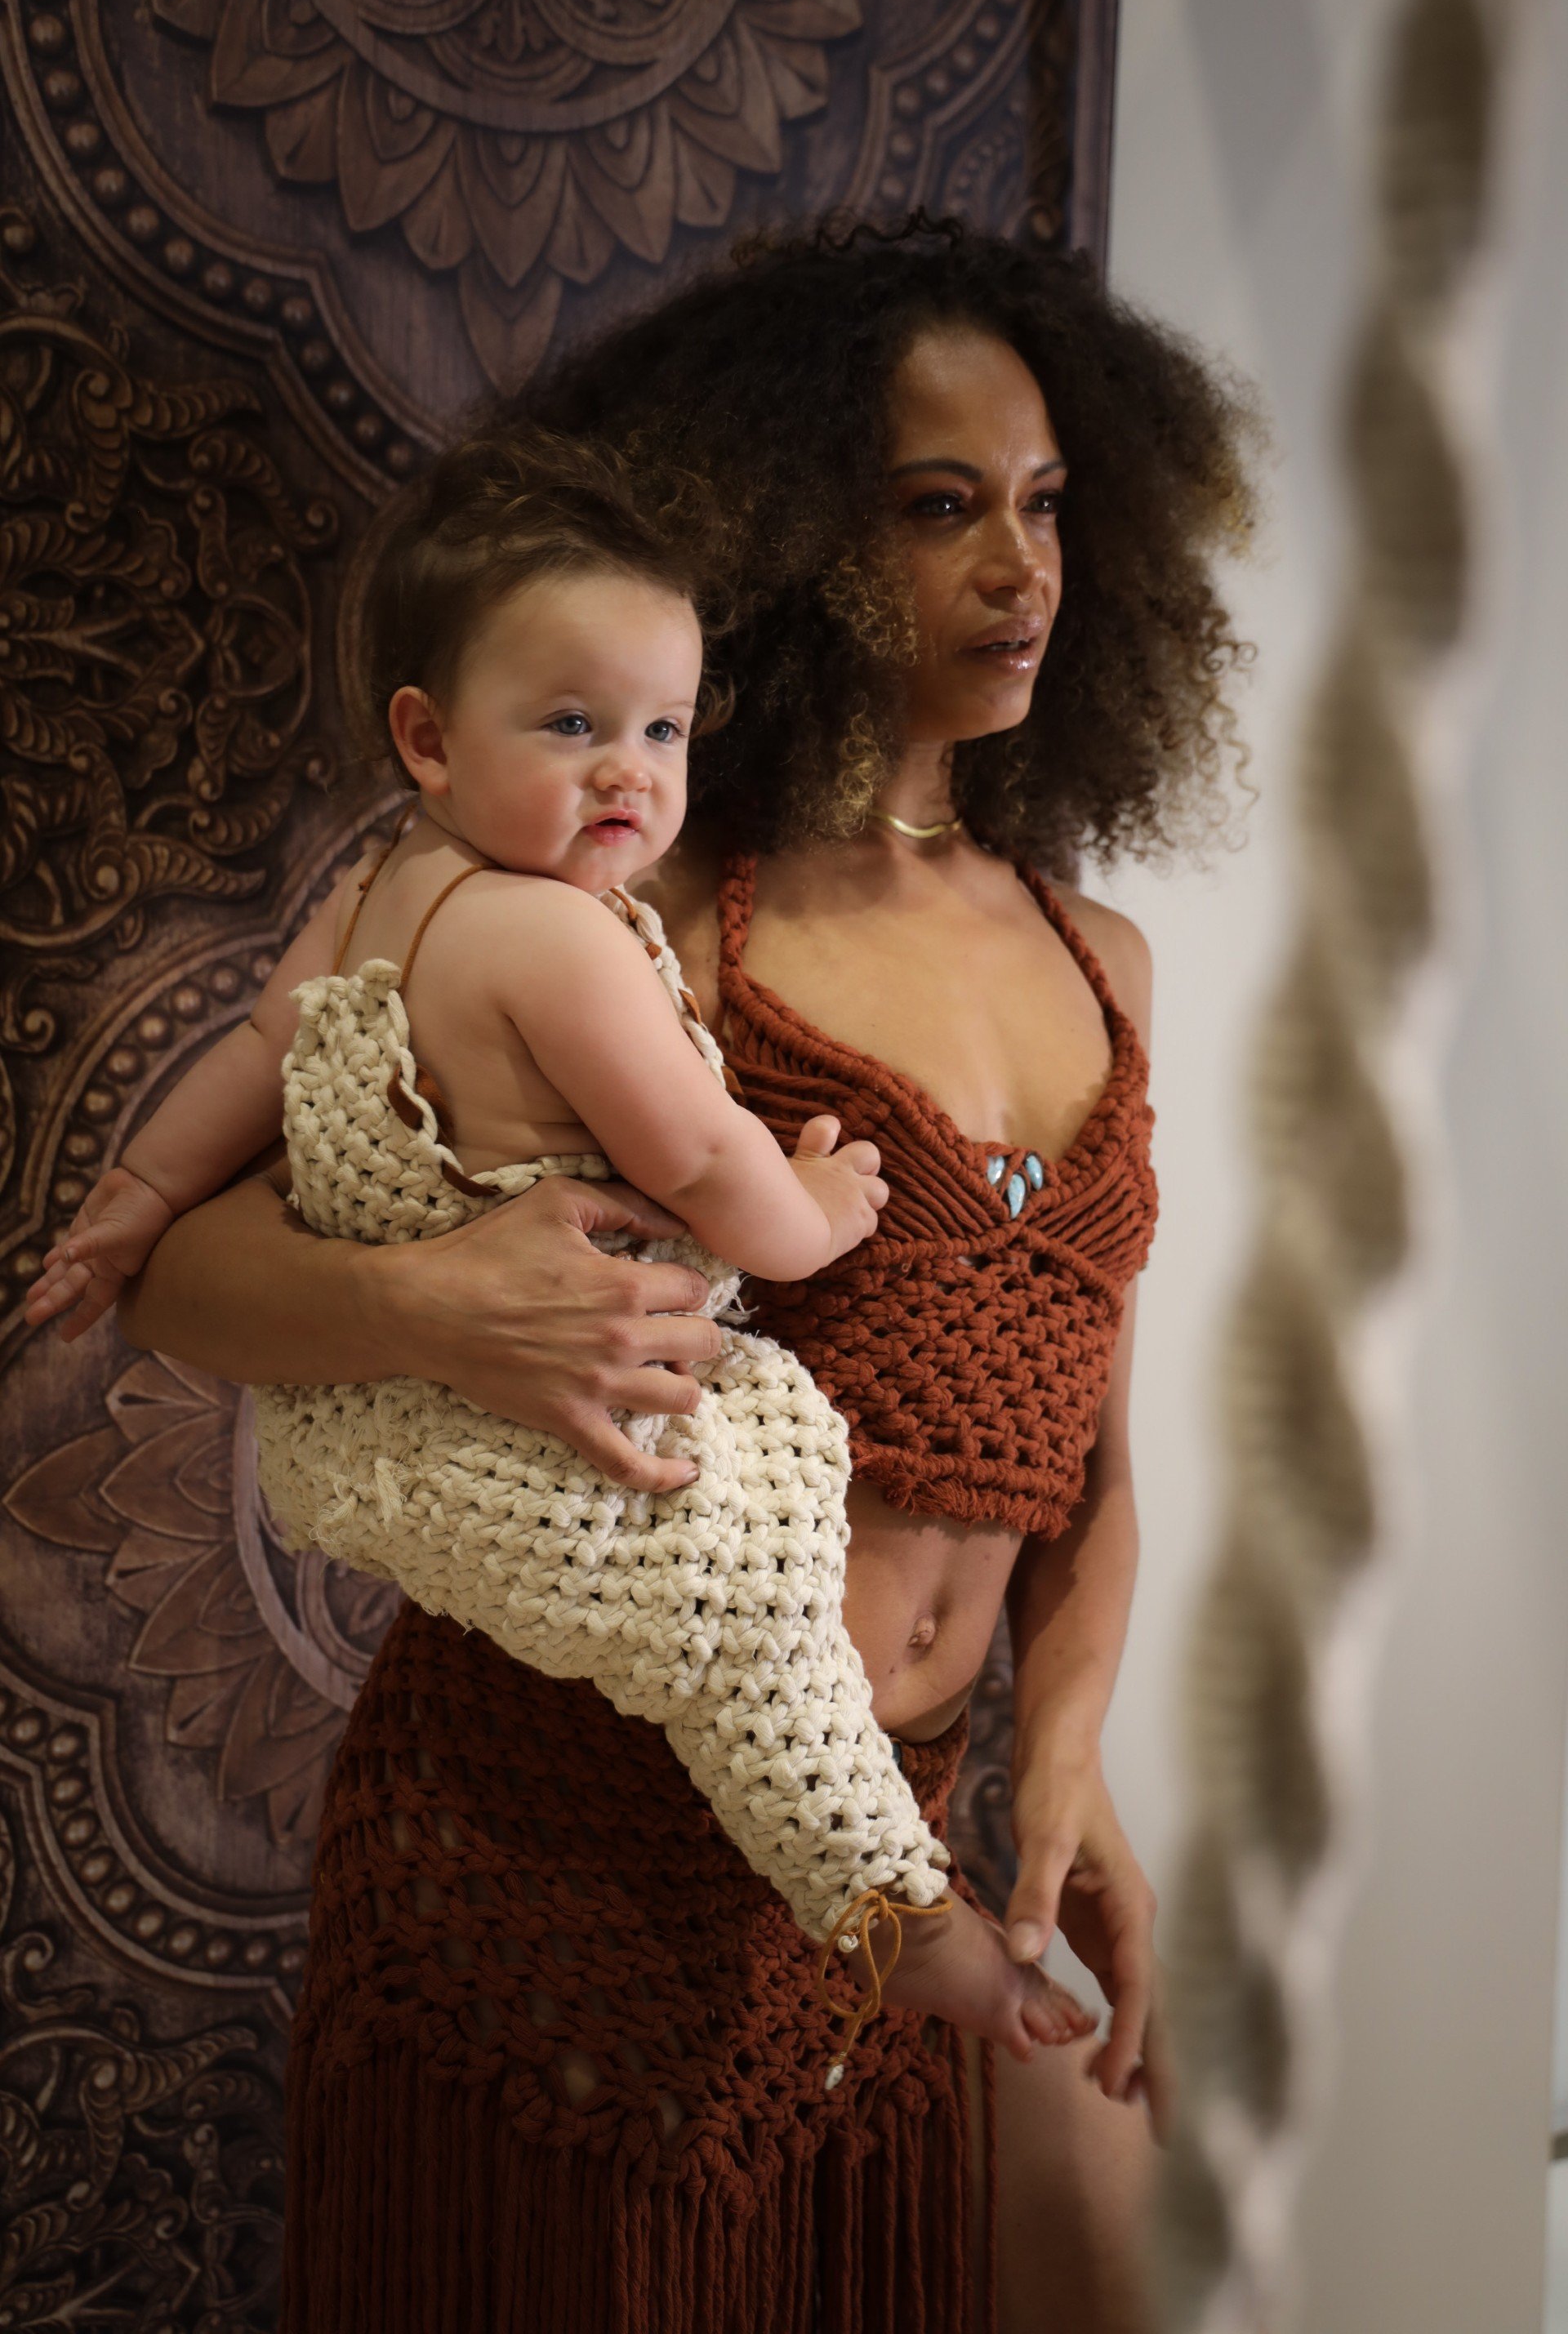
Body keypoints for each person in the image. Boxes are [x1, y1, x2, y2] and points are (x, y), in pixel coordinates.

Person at [118, 216, 1255, 2334]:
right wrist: (434, 1303)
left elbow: (1073, 1447)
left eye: (1047, 504)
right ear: (795, 534)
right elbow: (182, 1272)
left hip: (887, 1840)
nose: (1023, 569)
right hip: (562, 1846)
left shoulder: (1105, 956)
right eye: (941, 511)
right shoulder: (631, 914)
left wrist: (1074, 1768)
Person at [30, 424, 1089, 2059]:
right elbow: (705, 1156)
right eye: (576, 726)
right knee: (744, 1585)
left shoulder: (402, 885)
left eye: (663, 727)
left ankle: (893, 1901)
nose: (631, 773)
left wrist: (136, 1190)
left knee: (744, 1624)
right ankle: (892, 1905)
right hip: (552, 1623)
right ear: (429, 739)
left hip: (395, 1467)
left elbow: (251, 1060)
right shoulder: (585, 927)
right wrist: (815, 1214)